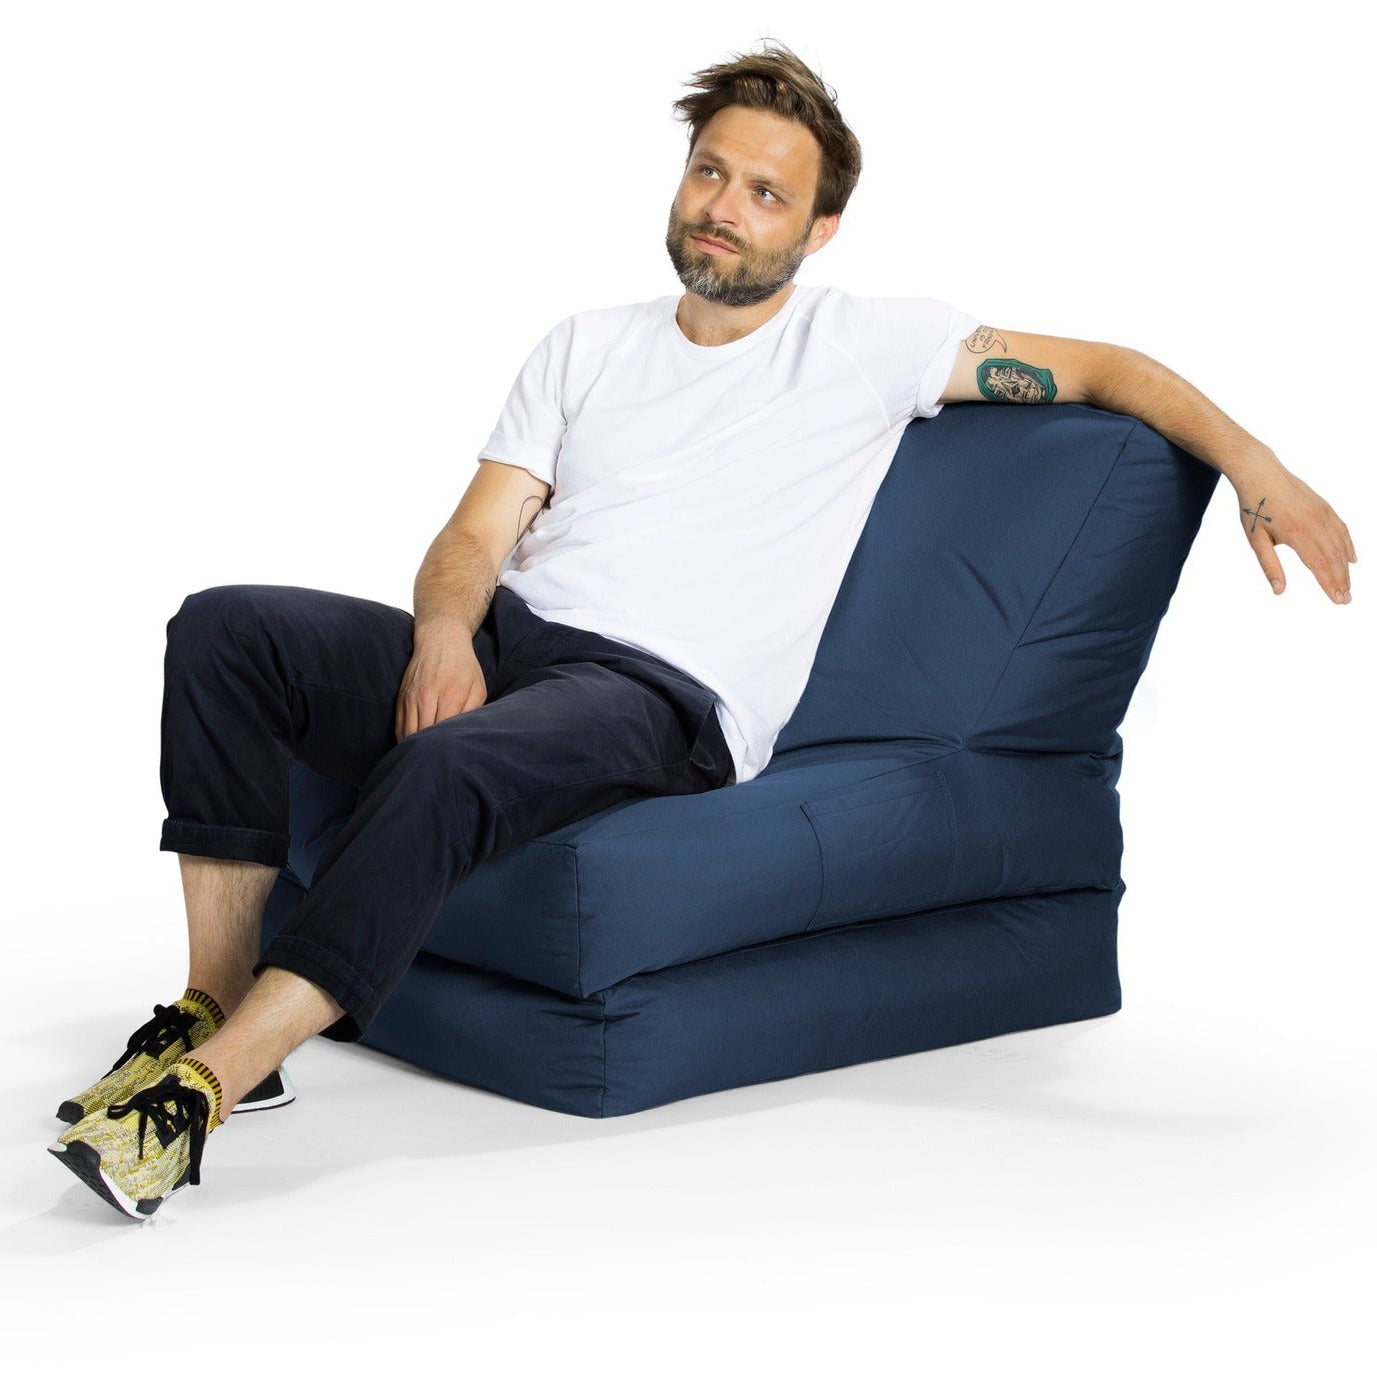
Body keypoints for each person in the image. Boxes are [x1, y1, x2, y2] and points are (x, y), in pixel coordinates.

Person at [49, 40, 1356, 1220]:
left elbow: (1111, 370)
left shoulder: (874, 345)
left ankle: (204, 1095)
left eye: (766, 193)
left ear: (821, 227)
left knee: (448, 766)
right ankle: (207, 1003)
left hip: (662, 698)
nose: (724, 207)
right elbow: (472, 537)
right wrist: (444, 636)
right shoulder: (584, 344)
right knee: (224, 631)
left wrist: (1261, 471)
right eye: (710, 173)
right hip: (511, 642)